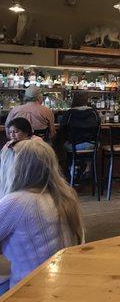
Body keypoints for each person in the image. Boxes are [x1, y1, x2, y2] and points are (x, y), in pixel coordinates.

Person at [0, 140, 83, 293]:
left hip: (31, 290)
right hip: (68, 285)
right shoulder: (66, 196)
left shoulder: (15, 202)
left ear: (12, 168)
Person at [0, 118, 41, 198]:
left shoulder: (36, 143)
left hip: (30, 178)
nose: (12, 135)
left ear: (26, 132)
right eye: (10, 132)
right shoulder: (10, 143)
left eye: (15, 132)